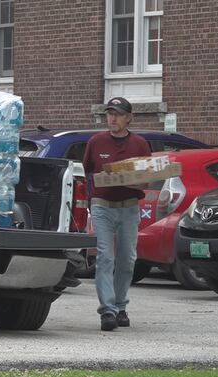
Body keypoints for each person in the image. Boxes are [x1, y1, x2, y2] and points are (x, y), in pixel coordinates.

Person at [82, 97, 150, 331]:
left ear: (128, 118)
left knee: (127, 260)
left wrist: (135, 181)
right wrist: (92, 200)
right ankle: (107, 311)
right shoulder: (96, 142)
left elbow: (147, 176)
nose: (112, 118)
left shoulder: (140, 144)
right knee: (105, 257)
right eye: (109, 113)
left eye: (118, 114)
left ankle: (121, 306)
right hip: (102, 206)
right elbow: (88, 172)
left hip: (129, 207)